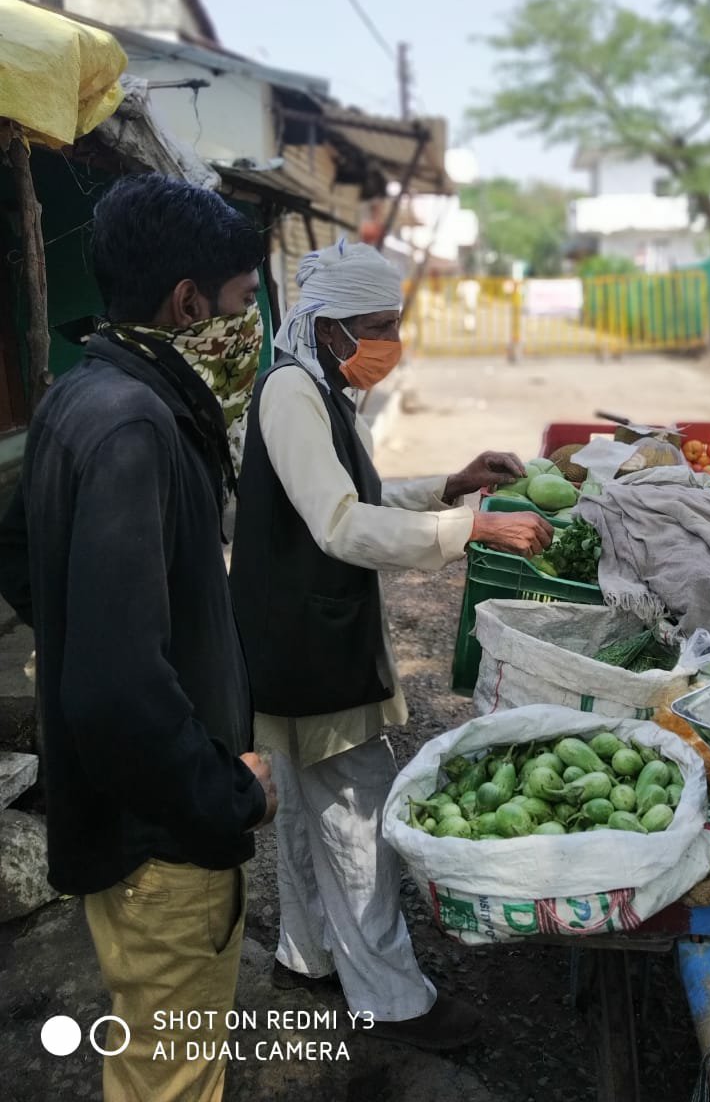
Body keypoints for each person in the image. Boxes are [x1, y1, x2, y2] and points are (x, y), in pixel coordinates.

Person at [229, 240, 552, 1051]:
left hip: (291, 638)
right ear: (329, 326)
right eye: (375, 327)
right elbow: (341, 525)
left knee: (307, 812)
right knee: (355, 818)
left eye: (394, 326)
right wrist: (471, 527)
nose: (388, 344)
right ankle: (394, 999)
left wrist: (452, 484)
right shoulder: (293, 395)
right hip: (309, 647)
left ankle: (307, 956)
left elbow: (357, 493)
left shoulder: (317, 388)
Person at [0, 174, 278, 1102]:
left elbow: (14, 545)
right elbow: (118, 692)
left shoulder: (80, 395)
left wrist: (80, 624)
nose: (250, 327)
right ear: (189, 302)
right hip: (165, 843)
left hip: (121, 816)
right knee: (175, 1081)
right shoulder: (137, 426)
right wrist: (226, 793)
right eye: (244, 302)